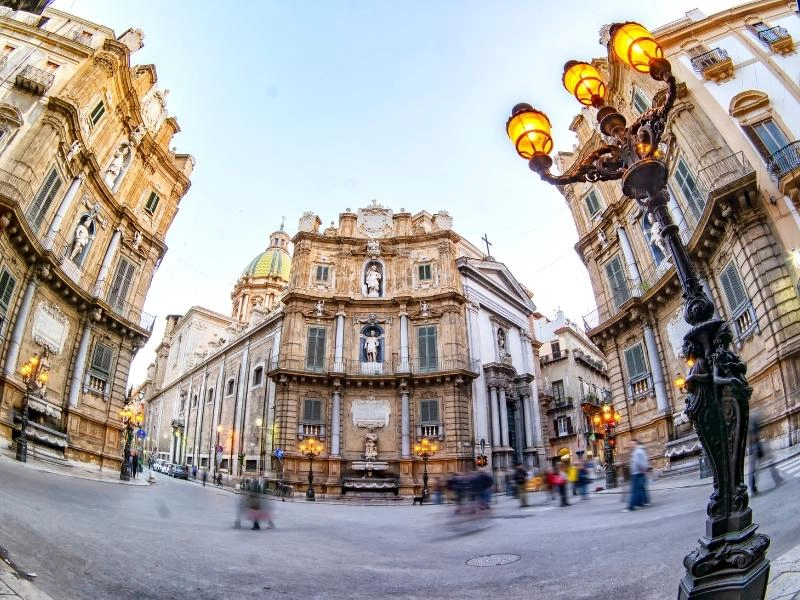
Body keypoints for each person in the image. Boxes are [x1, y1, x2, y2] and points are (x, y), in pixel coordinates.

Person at [749, 412, 782, 495]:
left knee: (768, 463)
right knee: (757, 469)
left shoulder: (754, 425)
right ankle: (753, 488)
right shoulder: (753, 426)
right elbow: (754, 438)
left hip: (756, 449)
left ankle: (777, 478)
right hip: (756, 449)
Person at [624, 440, 649, 512]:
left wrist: (643, 470)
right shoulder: (636, 451)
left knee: (634, 491)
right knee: (640, 489)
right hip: (637, 473)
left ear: (635, 444)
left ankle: (630, 507)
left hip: (637, 473)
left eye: (631, 444)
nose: (630, 446)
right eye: (630, 444)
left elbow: (640, 462)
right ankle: (641, 503)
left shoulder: (637, 452)